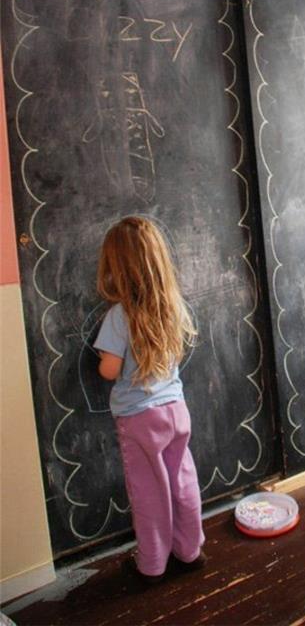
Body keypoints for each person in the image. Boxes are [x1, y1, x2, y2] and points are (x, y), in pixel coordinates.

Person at [94, 216, 206, 584]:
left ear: (117, 268)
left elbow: (109, 371)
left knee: (150, 494)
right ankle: (190, 552)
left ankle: (152, 566)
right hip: (176, 411)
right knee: (182, 481)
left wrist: (102, 361)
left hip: (139, 420)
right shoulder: (172, 306)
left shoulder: (119, 316)